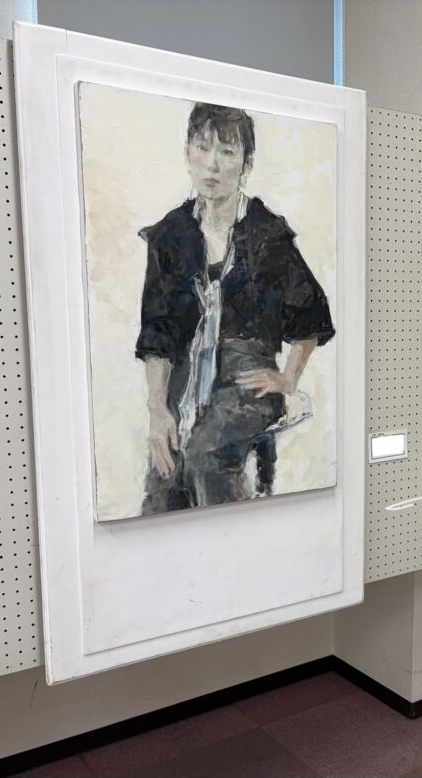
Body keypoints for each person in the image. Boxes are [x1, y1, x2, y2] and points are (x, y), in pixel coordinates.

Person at [134, 102, 335, 515]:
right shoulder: (171, 235)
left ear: (246, 164)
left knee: (206, 458)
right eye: (202, 147)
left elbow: (311, 316)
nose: (212, 164)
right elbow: (158, 333)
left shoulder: (266, 234)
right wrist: (157, 409)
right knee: (165, 475)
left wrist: (287, 378)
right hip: (185, 376)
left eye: (227, 152)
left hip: (245, 377)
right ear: (187, 153)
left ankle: (233, 542)